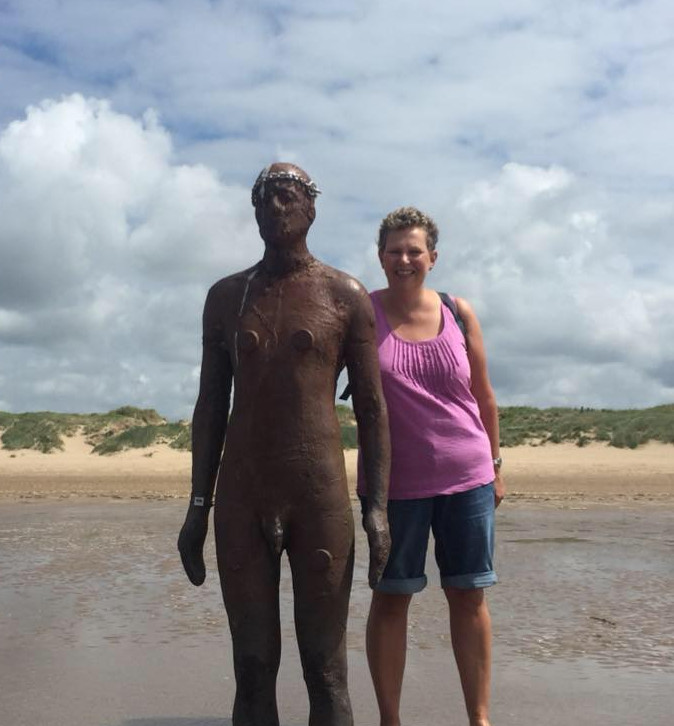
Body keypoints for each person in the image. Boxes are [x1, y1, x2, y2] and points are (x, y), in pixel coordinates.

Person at [178, 163, 391, 726]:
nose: (276, 206)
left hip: (317, 497)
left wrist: (376, 511)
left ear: (311, 208)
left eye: (288, 195)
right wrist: (198, 508)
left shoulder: (344, 295)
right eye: (265, 198)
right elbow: (209, 408)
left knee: (325, 669)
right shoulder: (225, 297)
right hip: (243, 496)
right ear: (253, 212)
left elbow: (371, 410)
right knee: (251, 666)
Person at [357, 206, 505, 726]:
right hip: (393, 487)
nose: (404, 259)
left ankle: (479, 718)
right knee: (391, 599)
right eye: (394, 251)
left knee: (468, 596)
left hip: (468, 477)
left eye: (414, 250)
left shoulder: (459, 312)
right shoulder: (361, 312)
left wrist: (496, 465)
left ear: (432, 258)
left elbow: (483, 397)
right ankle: (390, 719)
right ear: (380, 258)